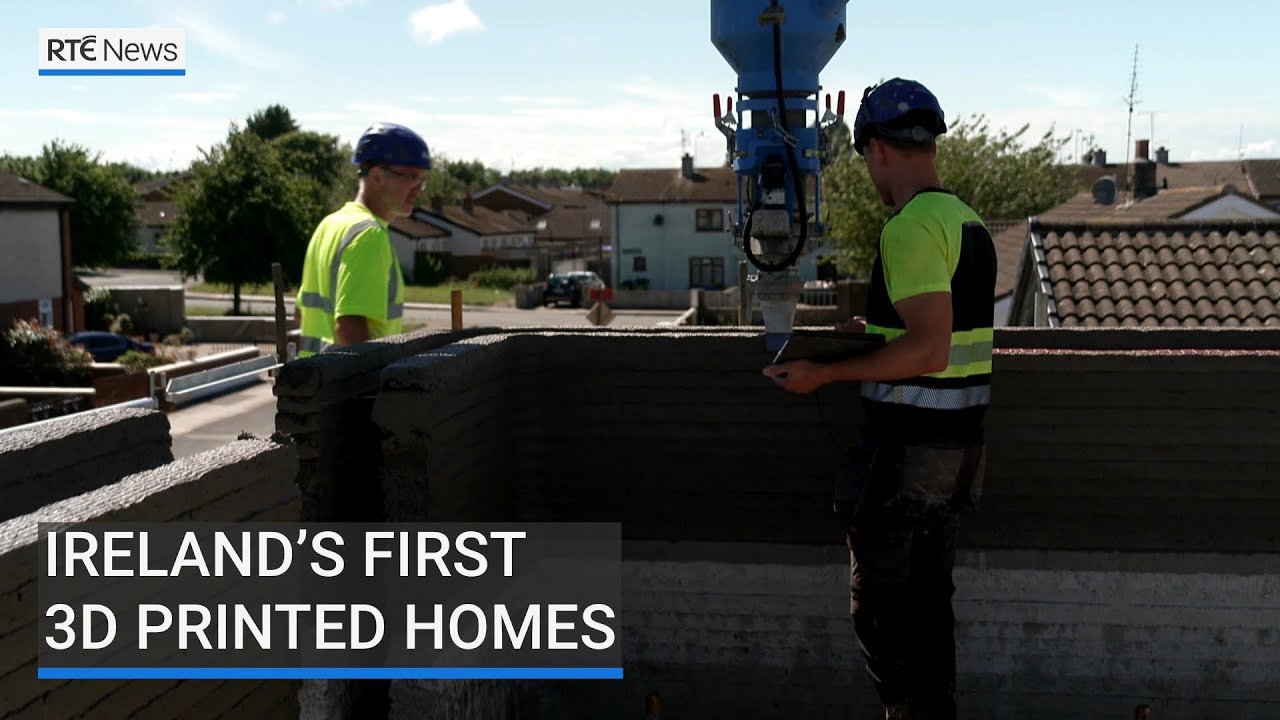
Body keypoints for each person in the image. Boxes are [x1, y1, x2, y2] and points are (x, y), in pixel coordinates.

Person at [762, 78, 995, 719]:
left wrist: (822, 374)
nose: (868, 168)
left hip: (911, 458)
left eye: (865, 156)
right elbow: (945, 328)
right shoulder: (964, 221)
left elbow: (929, 352)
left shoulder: (909, 227)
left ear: (878, 148)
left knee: (888, 621)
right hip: (958, 454)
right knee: (926, 616)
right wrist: (879, 332)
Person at [295, 122, 431, 358]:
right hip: (347, 391)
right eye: (411, 178)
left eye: (422, 180)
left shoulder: (329, 225)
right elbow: (350, 330)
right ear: (377, 176)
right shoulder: (369, 236)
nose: (419, 189)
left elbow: (301, 314)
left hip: (314, 385)